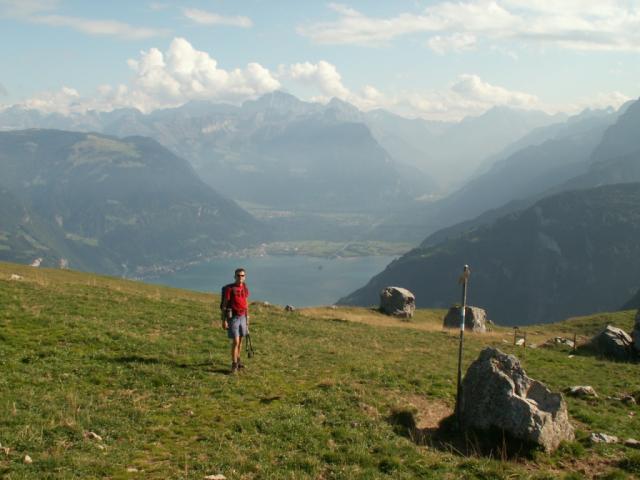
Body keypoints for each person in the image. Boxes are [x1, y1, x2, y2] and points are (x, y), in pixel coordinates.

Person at [220, 268, 250, 373]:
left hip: (243, 317)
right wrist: (224, 320)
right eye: (238, 275)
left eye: (242, 275)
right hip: (233, 318)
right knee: (236, 341)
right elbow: (224, 305)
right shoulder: (230, 289)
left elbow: (246, 303)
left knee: (240, 341)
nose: (240, 277)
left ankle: (238, 360)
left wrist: (247, 317)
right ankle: (234, 365)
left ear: (245, 277)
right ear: (235, 276)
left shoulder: (244, 287)